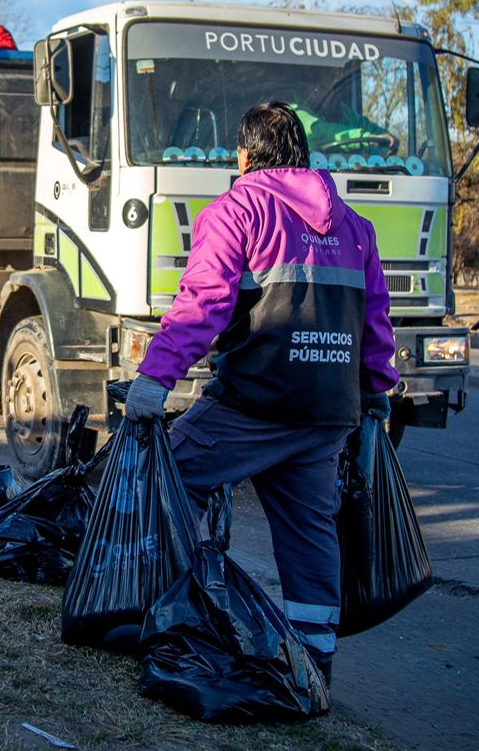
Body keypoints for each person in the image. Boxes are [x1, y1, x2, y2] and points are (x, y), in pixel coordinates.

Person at [125, 101, 399, 681]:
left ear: (244, 156)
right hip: (326, 413)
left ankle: (147, 610)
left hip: (253, 404)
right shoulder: (355, 226)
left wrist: (155, 379)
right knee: (309, 532)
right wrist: (377, 392)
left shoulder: (239, 209)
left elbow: (202, 304)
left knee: (165, 477)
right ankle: (314, 662)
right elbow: (375, 323)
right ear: (304, 154)